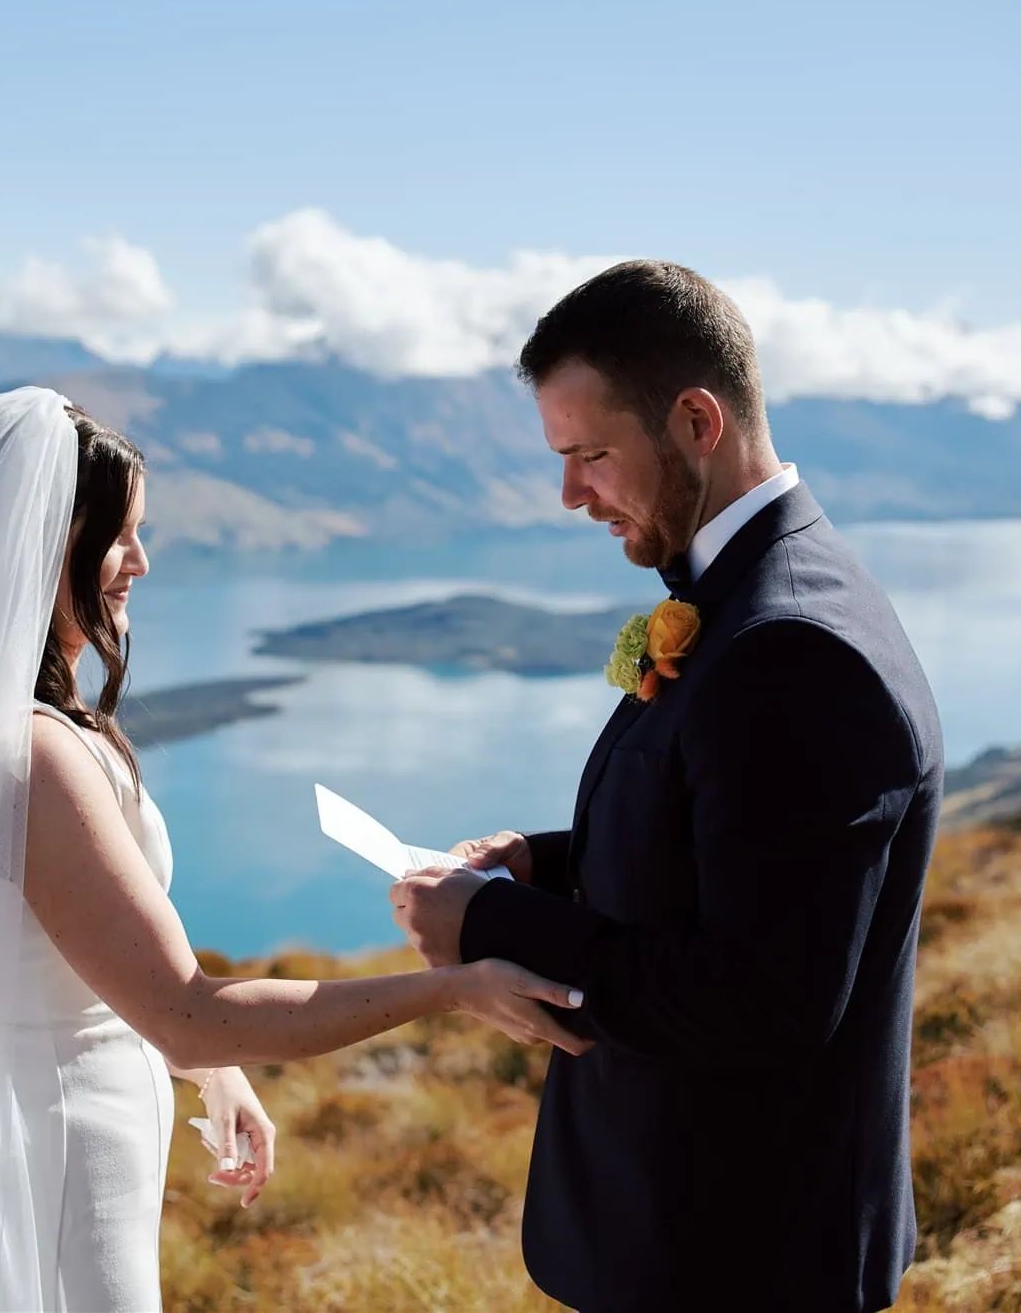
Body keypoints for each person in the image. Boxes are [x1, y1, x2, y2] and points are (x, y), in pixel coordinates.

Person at [0, 386, 589, 1313]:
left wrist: (214, 1070)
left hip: (69, 1133)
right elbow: (186, 1009)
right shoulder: (35, 752)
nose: (142, 562)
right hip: (60, 1161)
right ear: (46, 546)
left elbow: (98, 972)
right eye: (120, 536)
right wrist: (455, 986)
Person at [391, 262, 945, 1312]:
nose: (569, 495)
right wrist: (539, 862)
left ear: (696, 419)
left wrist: (495, 923)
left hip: (736, 1254)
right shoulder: (749, 598)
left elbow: (760, 998)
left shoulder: (788, 644)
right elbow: (732, 831)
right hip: (696, 1238)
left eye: (590, 455)